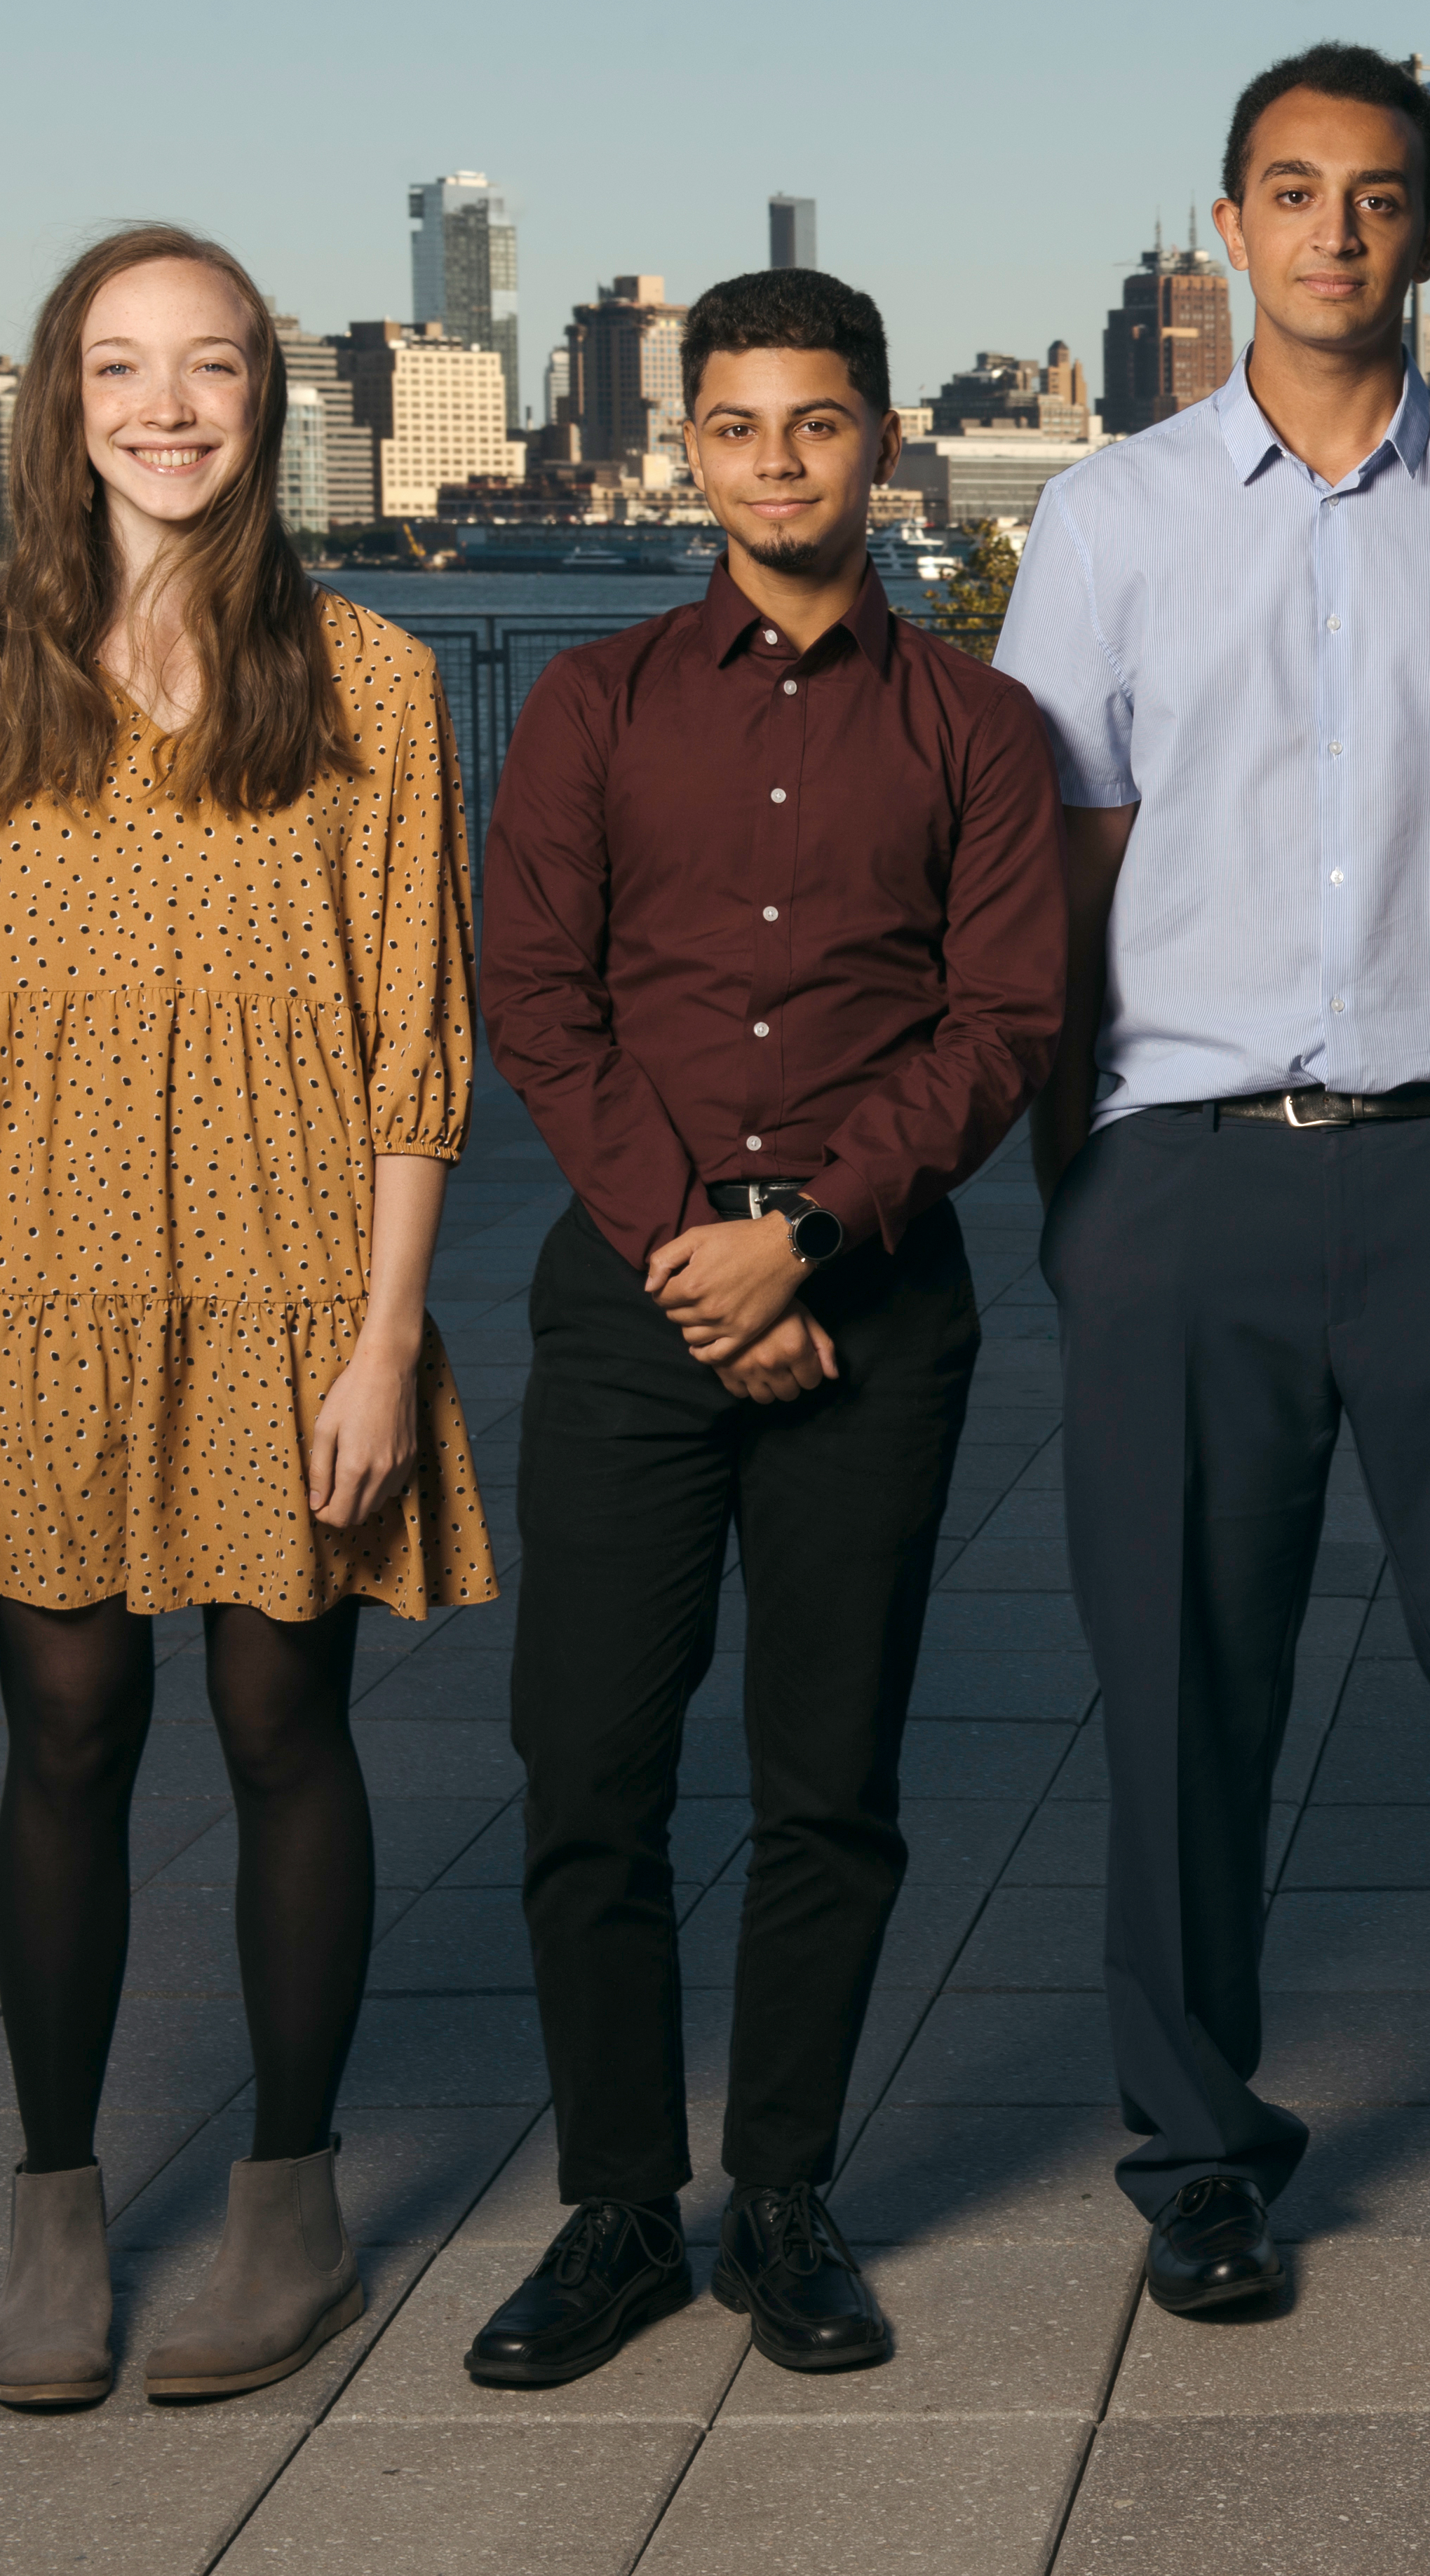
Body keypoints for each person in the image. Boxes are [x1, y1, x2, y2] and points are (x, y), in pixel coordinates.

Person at [997, 42, 1430, 2321]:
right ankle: (1198, 2155)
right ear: (1226, 231)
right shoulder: (1104, 521)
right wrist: (1084, 1182)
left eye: (1376, 199)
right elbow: (1064, 865)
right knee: (1181, 1695)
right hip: (1188, 1180)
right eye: (1291, 194)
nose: (1333, 234)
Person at [0, 225, 494, 2411]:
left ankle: (292, 2207)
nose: (167, 406)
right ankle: (53, 2217)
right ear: (59, 402)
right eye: (121, 367)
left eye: (211, 366)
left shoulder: (379, 686)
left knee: (276, 1727)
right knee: (61, 1736)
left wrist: (387, 1342)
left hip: (290, 1278)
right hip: (32, 1274)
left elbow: (419, 1046)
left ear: (270, 401)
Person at [471, 269, 1064, 2385]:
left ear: (880, 443)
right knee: (587, 1771)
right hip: (639, 1311)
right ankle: (621, 2213)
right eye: (739, 428)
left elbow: (1001, 1029)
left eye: (818, 425)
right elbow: (535, 999)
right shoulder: (596, 706)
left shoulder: (978, 729)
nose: (779, 462)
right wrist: (702, 1260)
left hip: (879, 1316)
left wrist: (802, 1238)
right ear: (690, 449)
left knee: (832, 1783)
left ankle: (784, 2198)